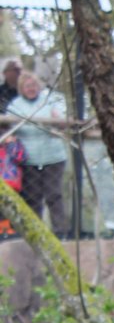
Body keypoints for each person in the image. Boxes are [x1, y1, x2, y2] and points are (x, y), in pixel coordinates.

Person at [7, 72, 70, 238]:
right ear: (21, 88)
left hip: (53, 156)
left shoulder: (48, 101)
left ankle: (60, 233)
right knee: (33, 197)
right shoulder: (15, 106)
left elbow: (63, 123)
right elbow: (7, 127)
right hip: (29, 159)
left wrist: (57, 120)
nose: (31, 89)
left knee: (53, 195)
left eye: (34, 85)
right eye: (28, 86)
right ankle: (35, 234)